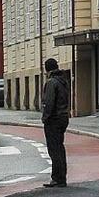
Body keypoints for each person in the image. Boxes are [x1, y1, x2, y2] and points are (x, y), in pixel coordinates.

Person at [41, 58, 70, 188]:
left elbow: (49, 103)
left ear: (47, 69)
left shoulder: (51, 83)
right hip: (63, 117)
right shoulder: (63, 81)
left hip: (54, 119)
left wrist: (45, 118)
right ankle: (61, 177)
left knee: (54, 149)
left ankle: (57, 178)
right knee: (60, 147)